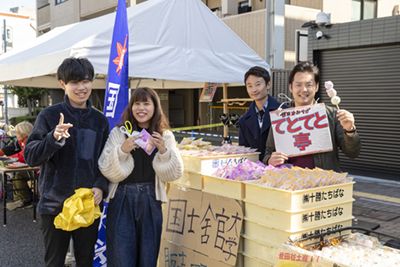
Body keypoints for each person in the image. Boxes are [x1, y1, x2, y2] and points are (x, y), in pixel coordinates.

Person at [23, 57, 110, 267]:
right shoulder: (49, 115)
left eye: (86, 81)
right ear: (63, 84)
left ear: (92, 82)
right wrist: (52, 139)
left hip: (87, 204)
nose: (81, 87)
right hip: (55, 205)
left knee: (85, 261)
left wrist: (100, 185)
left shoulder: (100, 121)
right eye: (74, 82)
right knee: (54, 262)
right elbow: (31, 156)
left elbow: (105, 162)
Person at [98, 87, 183, 267]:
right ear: (131, 106)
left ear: (155, 107)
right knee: (121, 259)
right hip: (121, 199)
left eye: (146, 103)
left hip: (151, 200)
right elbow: (104, 167)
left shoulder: (165, 135)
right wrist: (122, 150)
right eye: (137, 103)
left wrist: (164, 151)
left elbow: (174, 174)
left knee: (148, 259)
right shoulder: (119, 133)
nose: (141, 108)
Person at [263, 61, 361, 171]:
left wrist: (350, 130)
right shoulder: (281, 119)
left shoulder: (332, 114)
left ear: (317, 87)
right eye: (298, 85)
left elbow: (352, 153)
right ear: (291, 87)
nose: (304, 89)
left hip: (323, 184)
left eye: (308, 85)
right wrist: (269, 160)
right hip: (292, 184)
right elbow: (269, 152)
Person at [239, 66, 289, 161]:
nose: (253, 89)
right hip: (254, 171)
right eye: (249, 86)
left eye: (258, 84)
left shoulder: (285, 112)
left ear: (268, 84)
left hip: (281, 170)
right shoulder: (243, 120)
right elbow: (244, 152)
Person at [0, 121, 34, 210]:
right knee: (18, 176)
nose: (16, 134)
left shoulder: (30, 142)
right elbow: (9, 150)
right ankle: (20, 199)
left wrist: (8, 158)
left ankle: (25, 200)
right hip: (32, 168)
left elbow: (22, 156)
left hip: (39, 170)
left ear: (25, 134)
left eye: (18, 132)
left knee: (19, 176)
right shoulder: (22, 141)